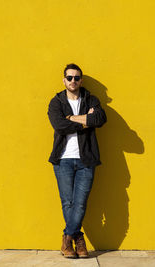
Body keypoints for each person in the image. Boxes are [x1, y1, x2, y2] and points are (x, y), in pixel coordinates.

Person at [47, 63, 107, 258]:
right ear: (64, 80)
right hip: (63, 159)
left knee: (80, 204)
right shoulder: (56, 102)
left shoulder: (91, 99)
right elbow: (59, 124)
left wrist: (71, 117)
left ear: (81, 80)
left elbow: (100, 119)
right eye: (70, 77)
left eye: (76, 77)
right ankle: (78, 240)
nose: (73, 81)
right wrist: (84, 121)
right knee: (68, 202)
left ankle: (68, 238)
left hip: (86, 159)